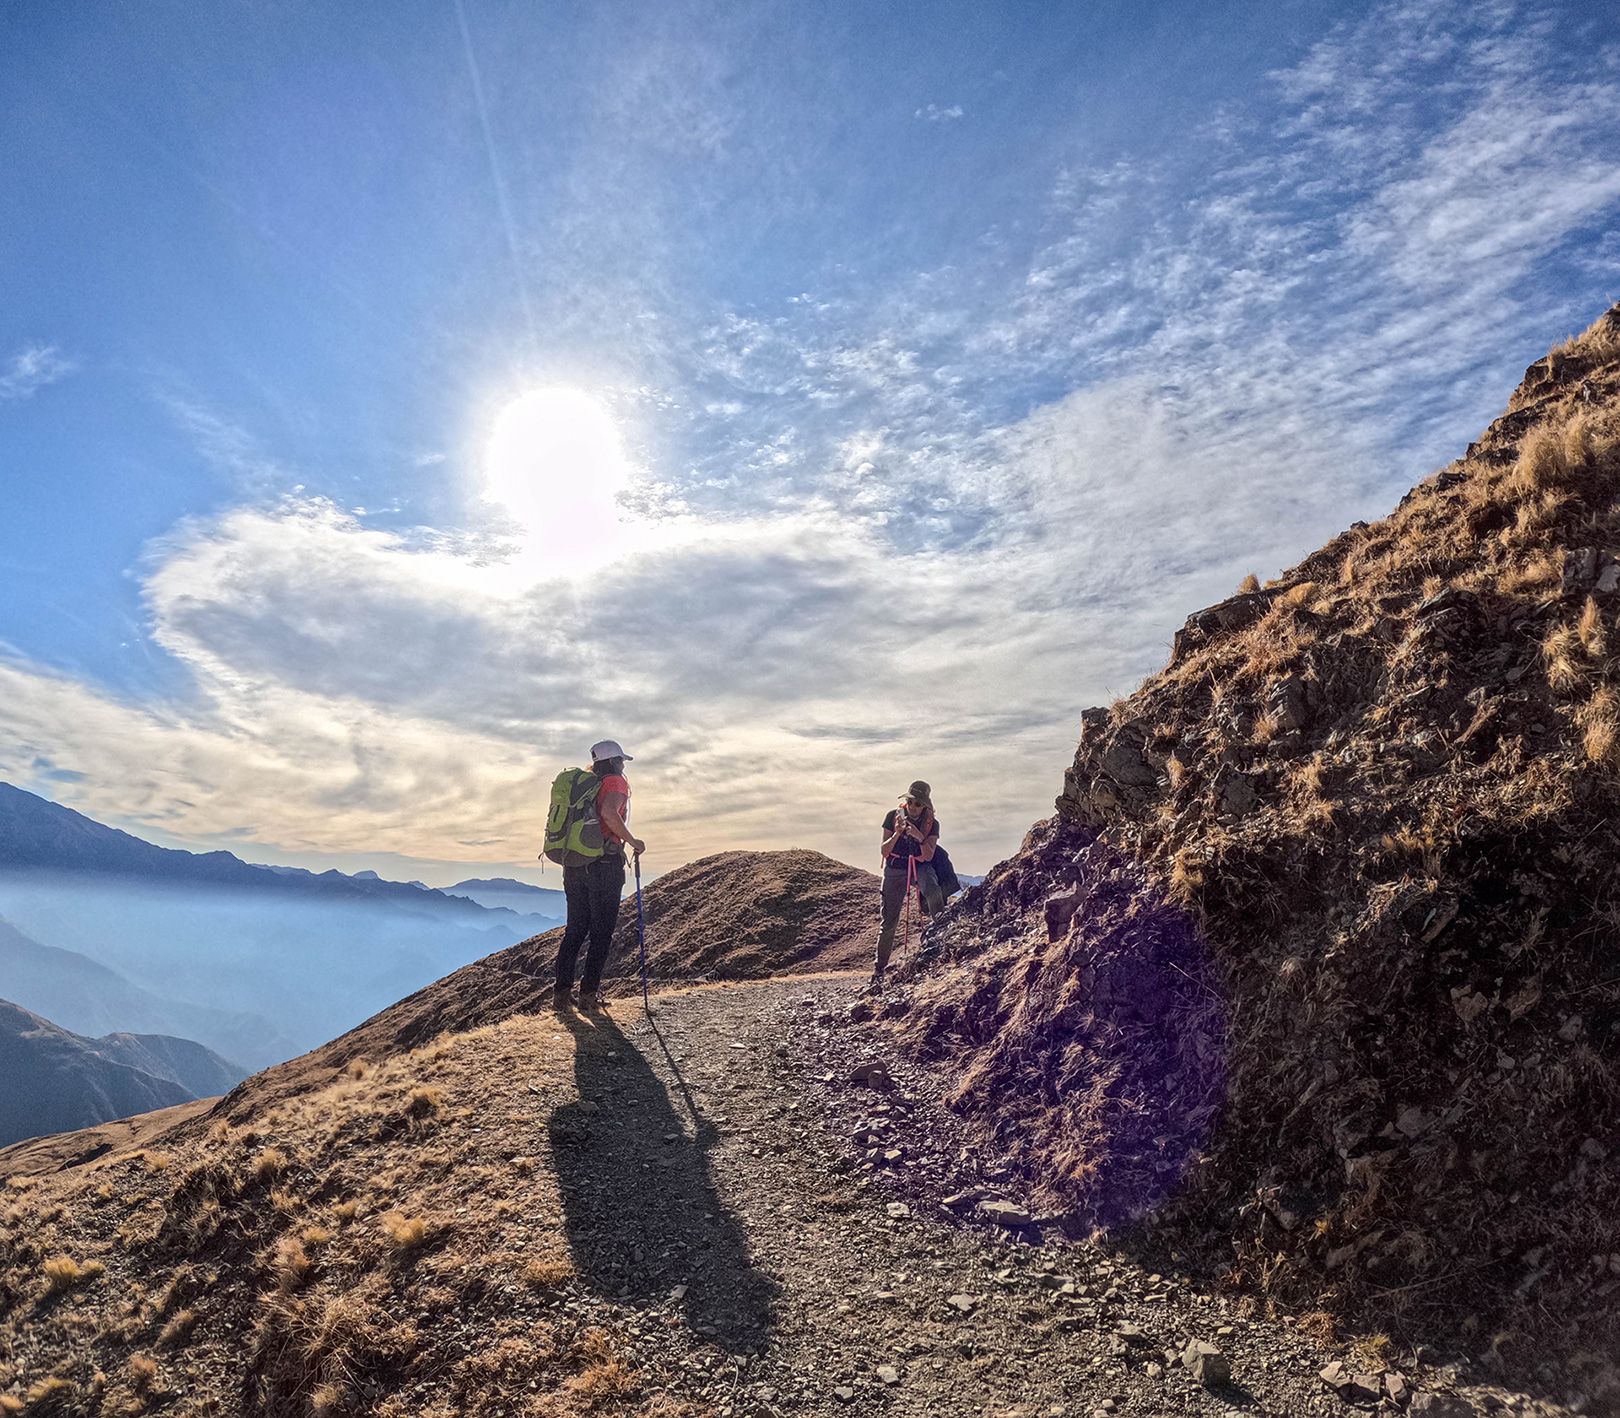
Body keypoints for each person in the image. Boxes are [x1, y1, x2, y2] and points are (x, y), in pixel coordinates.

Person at [553, 739, 645, 1011]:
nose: (622, 765)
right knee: (601, 932)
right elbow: (609, 813)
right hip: (604, 864)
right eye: (621, 761)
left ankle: (561, 996)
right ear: (615, 761)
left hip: (575, 865)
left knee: (576, 930)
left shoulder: (585, 785)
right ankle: (588, 996)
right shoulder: (615, 782)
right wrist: (632, 841)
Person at [874, 779, 945, 988]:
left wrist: (919, 836)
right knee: (889, 920)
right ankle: (879, 970)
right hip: (895, 867)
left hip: (919, 865)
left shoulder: (932, 824)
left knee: (933, 891)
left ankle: (941, 937)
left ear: (925, 806)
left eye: (918, 803)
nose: (913, 807)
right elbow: (884, 851)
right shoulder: (892, 817)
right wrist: (897, 833)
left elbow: (929, 853)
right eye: (911, 801)